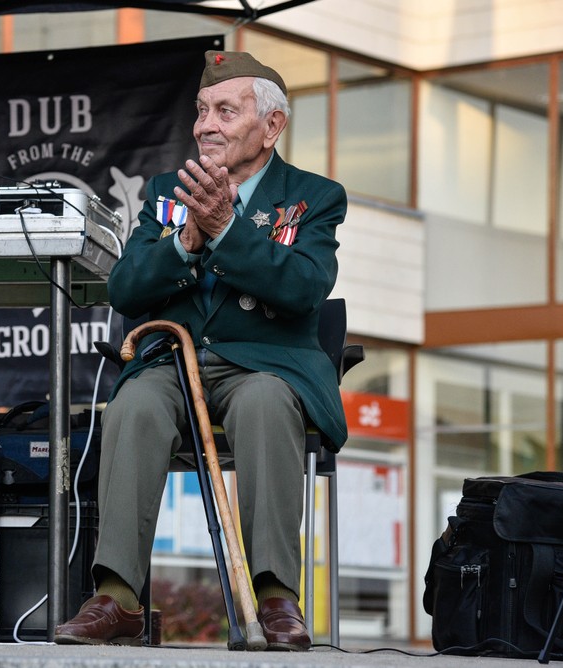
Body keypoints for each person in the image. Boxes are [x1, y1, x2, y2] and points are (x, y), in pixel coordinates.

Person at [53, 50, 348, 651]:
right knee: (133, 406)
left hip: (264, 366)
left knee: (266, 402)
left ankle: (274, 599)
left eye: (225, 110)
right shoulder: (167, 192)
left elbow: (304, 289)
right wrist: (186, 240)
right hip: (172, 364)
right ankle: (118, 596)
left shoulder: (314, 196)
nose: (205, 125)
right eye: (201, 110)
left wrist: (226, 232)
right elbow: (126, 288)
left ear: (271, 127)